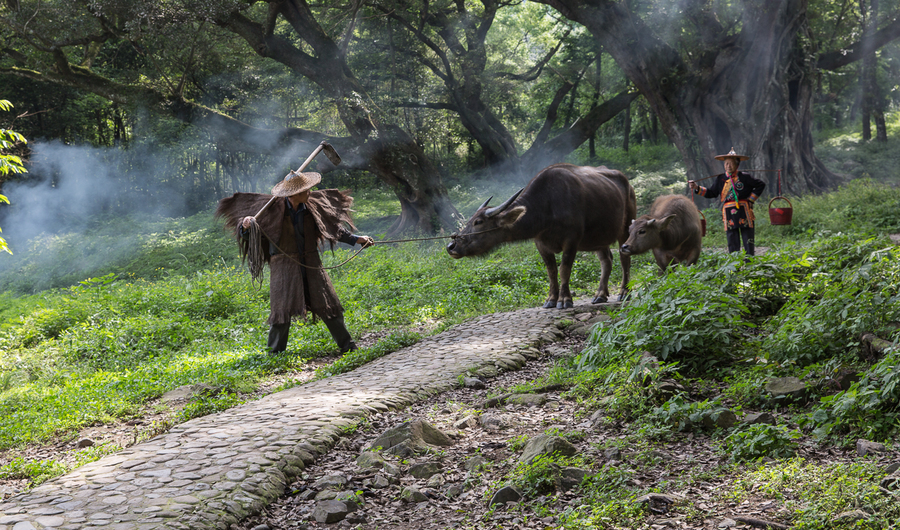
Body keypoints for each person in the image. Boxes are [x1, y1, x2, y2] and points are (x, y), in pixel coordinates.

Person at [215, 170, 373, 354]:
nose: (309, 192)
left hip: (311, 263)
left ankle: (348, 346)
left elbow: (333, 229)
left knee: (328, 303)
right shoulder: (271, 210)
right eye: (305, 190)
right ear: (293, 194)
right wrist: (245, 225)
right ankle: (275, 353)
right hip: (283, 265)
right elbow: (249, 233)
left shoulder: (312, 206)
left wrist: (357, 239)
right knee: (281, 311)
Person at [689, 148, 765, 255]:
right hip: (729, 213)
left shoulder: (744, 177)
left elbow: (761, 185)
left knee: (748, 237)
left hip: (744, 211)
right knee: (732, 239)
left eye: (731, 163)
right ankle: (735, 262)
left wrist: (751, 200)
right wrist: (696, 187)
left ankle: (750, 262)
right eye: (726, 163)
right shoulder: (721, 179)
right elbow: (712, 193)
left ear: (737, 165)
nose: (728, 166)